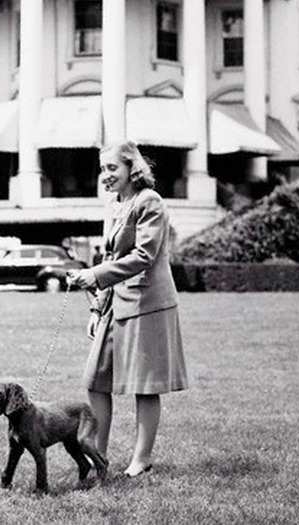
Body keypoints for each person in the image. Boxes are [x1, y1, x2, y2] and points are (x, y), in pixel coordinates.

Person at [67, 140, 188, 478]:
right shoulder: (115, 205)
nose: (105, 175)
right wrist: (96, 309)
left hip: (148, 304)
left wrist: (94, 275)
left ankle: (142, 458)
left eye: (111, 169)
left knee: (143, 385)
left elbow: (144, 256)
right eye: (102, 169)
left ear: (131, 169)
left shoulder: (149, 201)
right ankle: (97, 454)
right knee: (95, 379)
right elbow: (111, 259)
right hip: (115, 303)